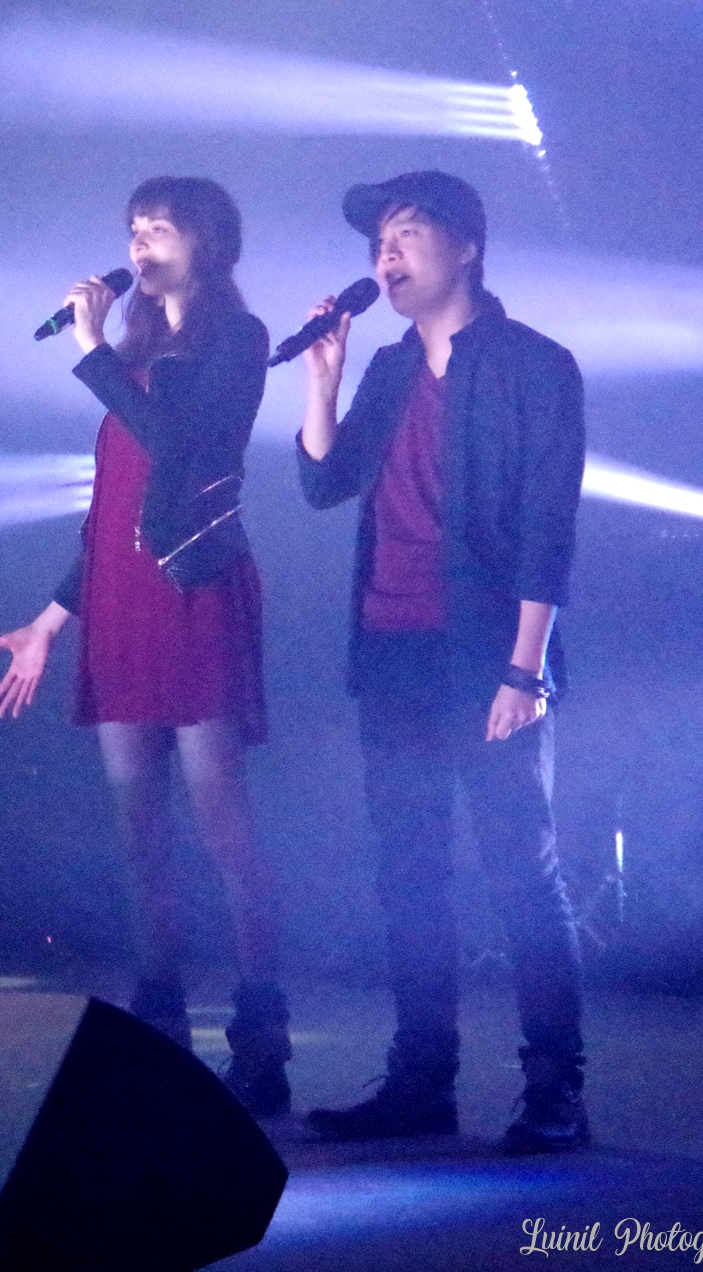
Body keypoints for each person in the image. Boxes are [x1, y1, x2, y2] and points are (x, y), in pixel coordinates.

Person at [0, 177, 291, 1116]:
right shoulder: (132, 352)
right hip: (119, 597)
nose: (141, 245)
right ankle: (160, 1028)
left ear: (208, 243)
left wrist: (89, 352)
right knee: (137, 830)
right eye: (133, 230)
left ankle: (262, 1037)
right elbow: (112, 509)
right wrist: (49, 620)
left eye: (159, 228)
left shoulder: (238, 340)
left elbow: (178, 447)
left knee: (221, 821)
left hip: (191, 592)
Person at [295, 171, 588, 1154]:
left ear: (467, 245)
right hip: (392, 651)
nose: (386, 254)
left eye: (408, 232)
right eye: (379, 240)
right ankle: (422, 1078)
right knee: (409, 875)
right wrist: (323, 377)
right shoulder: (384, 370)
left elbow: (549, 526)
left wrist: (525, 671)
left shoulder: (535, 365)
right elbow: (325, 484)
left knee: (521, 873)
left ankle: (556, 1089)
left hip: (488, 655)